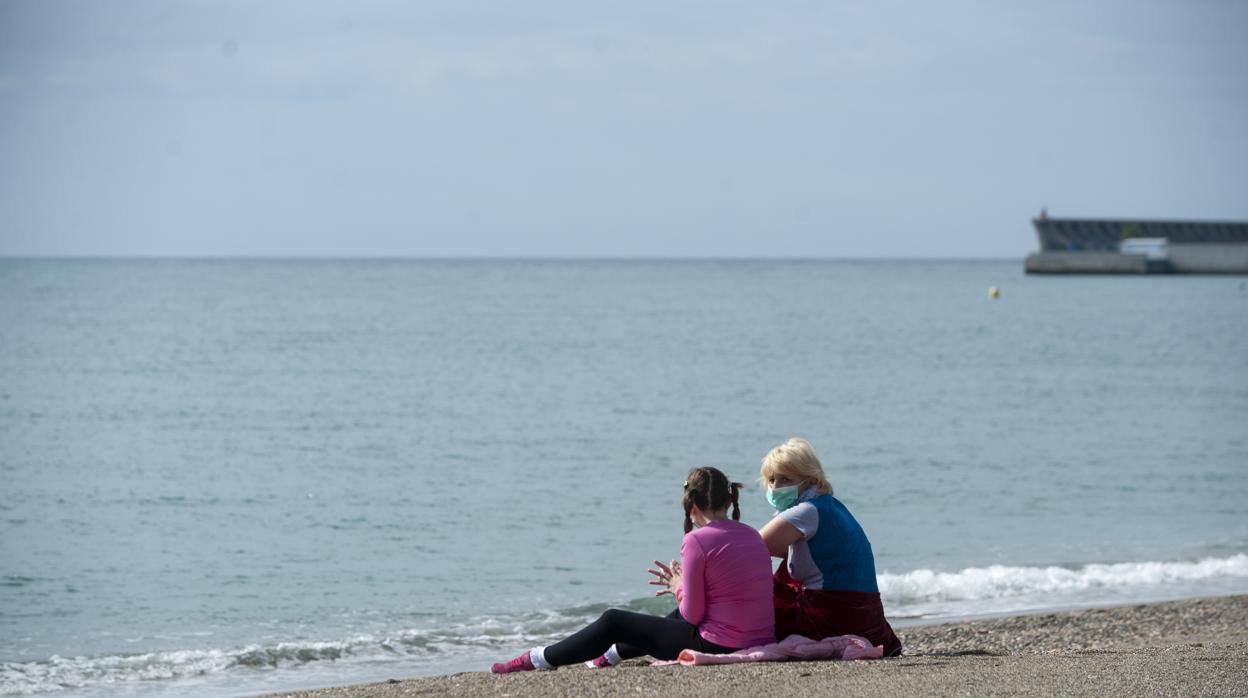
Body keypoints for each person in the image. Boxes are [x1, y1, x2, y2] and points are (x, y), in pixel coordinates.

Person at [491, 466, 775, 673]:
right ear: (728, 501)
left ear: (693, 506)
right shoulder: (752, 534)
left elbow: (693, 615)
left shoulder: (697, 540)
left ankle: (538, 658)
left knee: (614, 620)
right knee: (670, 617)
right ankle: (612, 654)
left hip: (720, 645)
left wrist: (678, 586)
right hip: (759, 637)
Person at [758, 437, 903, 656]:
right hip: (868, 619)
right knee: (784, 575)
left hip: (833, 617)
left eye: (786, 479)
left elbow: (749, 548)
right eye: (771, 479)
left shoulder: (806, 511)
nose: (775, 487)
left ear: (808, 480)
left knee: (760, 613)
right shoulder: (832, 507)